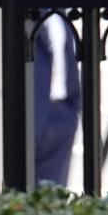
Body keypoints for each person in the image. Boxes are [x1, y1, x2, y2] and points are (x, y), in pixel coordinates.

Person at [34, 12, 82, 185]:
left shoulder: (60, 14)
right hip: (32, 112)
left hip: (62, 112)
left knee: (55, 192)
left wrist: (73, 108)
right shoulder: (27, 11)